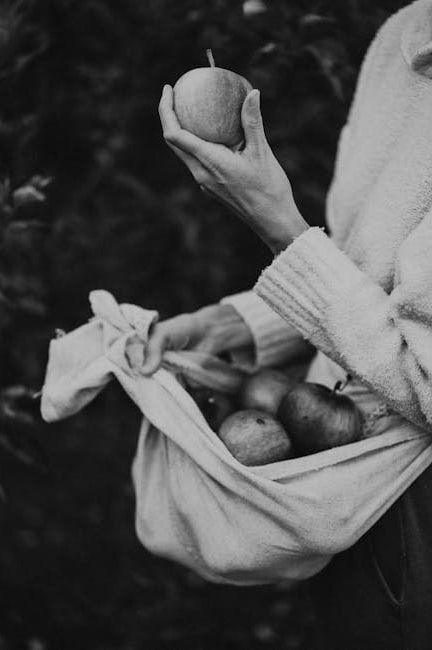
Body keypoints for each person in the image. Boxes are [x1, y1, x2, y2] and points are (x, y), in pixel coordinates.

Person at [151, 1, 432, 647]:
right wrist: (244, 322)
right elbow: (381, 254)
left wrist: (276, 223)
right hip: (337, 475)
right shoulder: (403, 36)